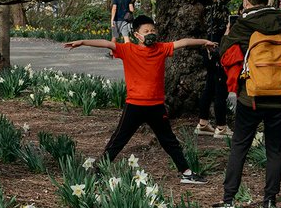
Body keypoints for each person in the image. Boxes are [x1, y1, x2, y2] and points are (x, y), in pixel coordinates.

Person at [64, 15, 213, 184]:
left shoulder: (161, 48)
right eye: (146, 31)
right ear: (136, 35)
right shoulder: (128, 50)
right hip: (134, 105)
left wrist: (204, 42)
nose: (151, 34)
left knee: (169, 140)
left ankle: (186, 173)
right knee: (119, 139)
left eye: (153, 30)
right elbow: (106, 43)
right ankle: (98, 172)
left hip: (156, 106)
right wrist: (82, 41)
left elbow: (184, 42)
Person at [213, 0, 281, 208]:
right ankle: (269, 201)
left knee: (240, 145)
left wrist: (228, 35)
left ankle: (229, 199)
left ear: (246, 0)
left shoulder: (243, 24)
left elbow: (224, 52)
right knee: (275, 148)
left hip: (252, 95)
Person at [192, 0, 231, 138]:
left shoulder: (206, 9)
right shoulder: (216, 7)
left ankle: (203, 123)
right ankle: (221, 128)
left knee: (209, 86)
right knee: (220, 89)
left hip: (209, 51)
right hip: (217, 50)